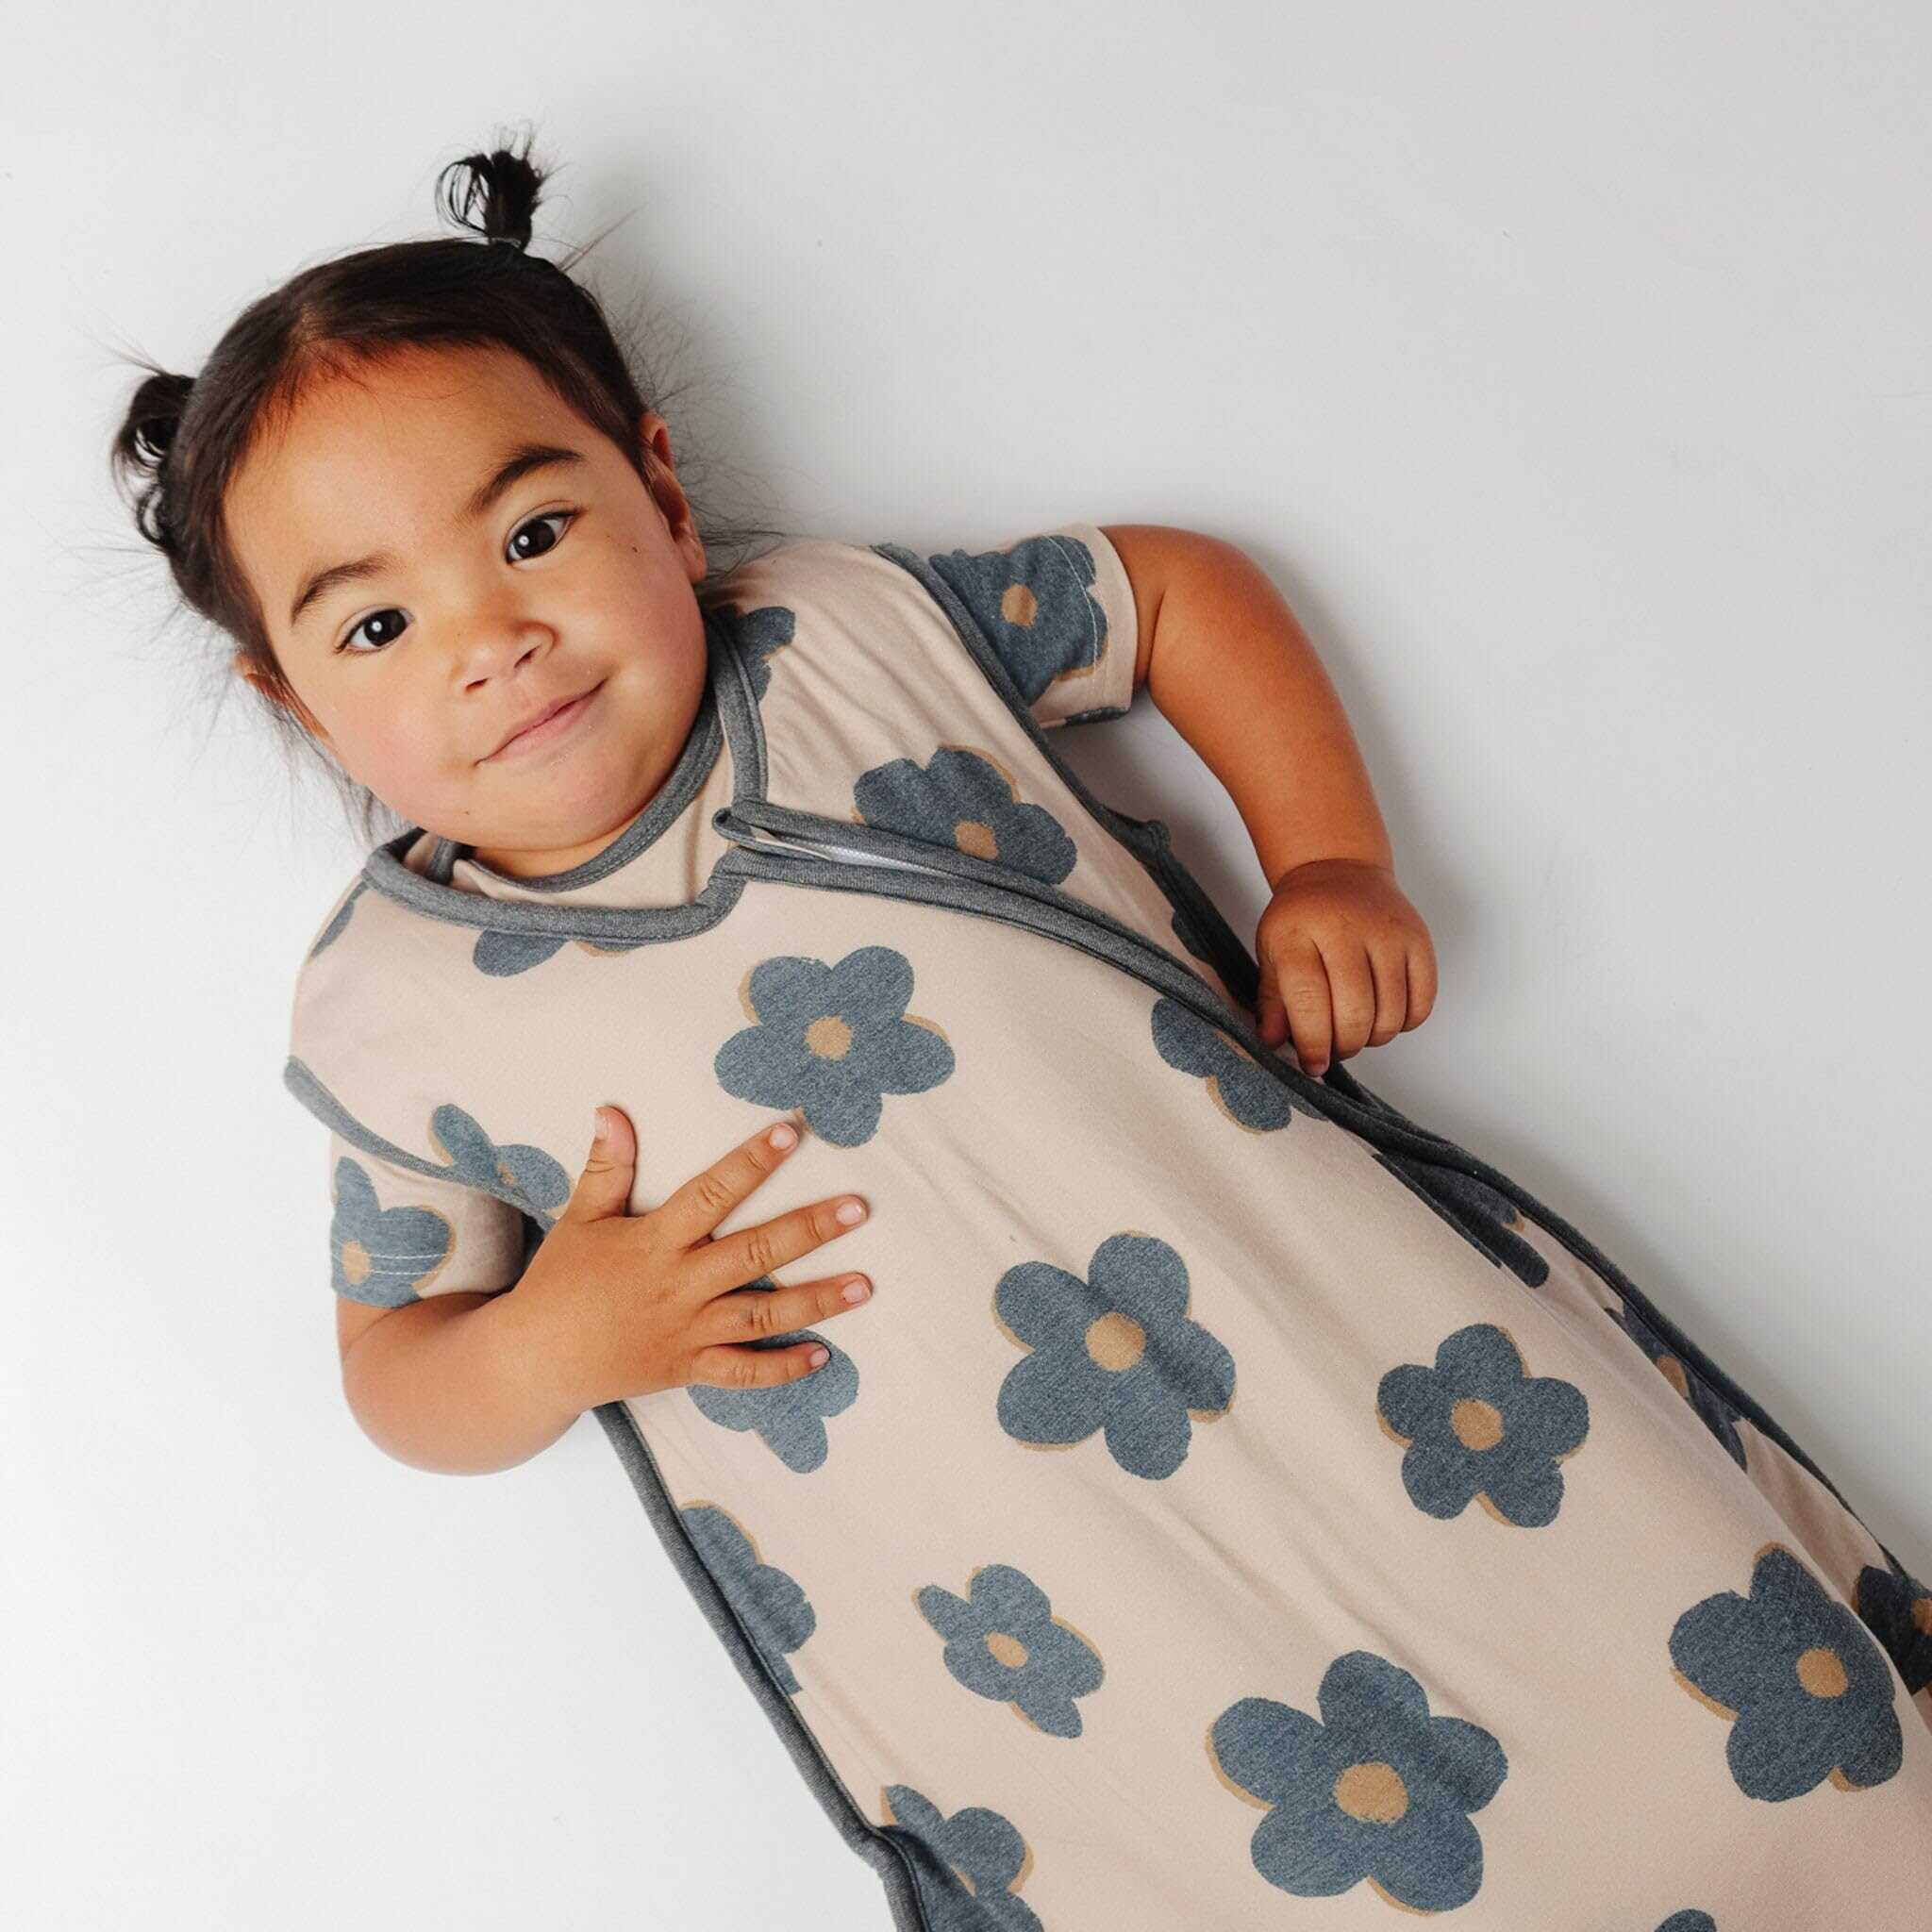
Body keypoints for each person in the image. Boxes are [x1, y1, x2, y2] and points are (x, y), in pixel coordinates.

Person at [110, 127, 1932, 1929]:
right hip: (1036, 1632)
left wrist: (1330, 861)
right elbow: (396, 1367)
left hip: (1366, 1377)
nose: (488, 638)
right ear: (294, 702)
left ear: (660, 490)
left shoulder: (853, 642)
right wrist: (552, 1342)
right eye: (375, 629)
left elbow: (1172, 592)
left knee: (1706, 1695)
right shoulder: (400, 1004)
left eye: (532, 534)